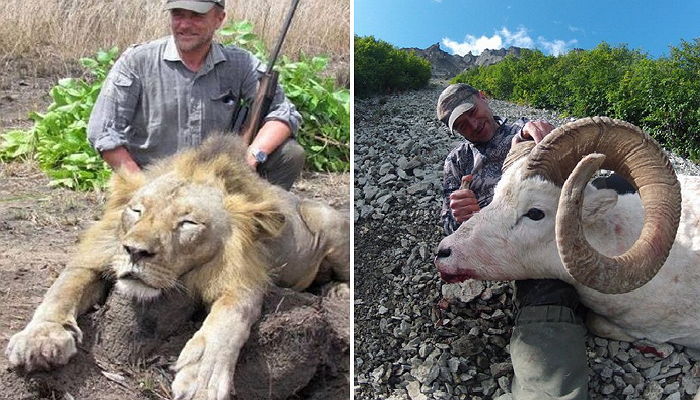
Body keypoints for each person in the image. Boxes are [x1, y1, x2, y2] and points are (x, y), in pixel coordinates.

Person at [437, 83, 590, 400]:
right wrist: (459, 215)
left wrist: (555, 139)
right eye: (461, 126)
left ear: (483, 97)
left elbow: (578, 181)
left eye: (472, 113)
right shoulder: (457, 162)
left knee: (552, 277)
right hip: (489, 249)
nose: (472, 125)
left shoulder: (529, 135)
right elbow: (447, 225)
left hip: (537, 242)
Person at [87, 0, 304, 190]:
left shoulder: (240, 64)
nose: (184, 25)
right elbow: (103, 132)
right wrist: (142, 187)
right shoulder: (137, 61)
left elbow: (284, 113)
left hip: (216, 179)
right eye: (178, 14)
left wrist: (252, 157)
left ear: (219, 19)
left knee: (290, 154)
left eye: (197, 16)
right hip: (155, 179)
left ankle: (257, 230)